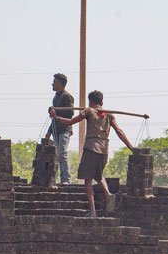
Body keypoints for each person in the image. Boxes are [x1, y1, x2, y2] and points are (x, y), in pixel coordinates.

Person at [52, 90, 135, 218]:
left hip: (91, 149)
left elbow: (70, 122)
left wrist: (56, 117)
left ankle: (93, 212)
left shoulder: (89, 111)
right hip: (104, 151)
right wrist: (132, 148)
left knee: (88, 181)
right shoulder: (109, 115)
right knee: (99, 175)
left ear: (91, 102)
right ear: (102, 102)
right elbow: (119, 131)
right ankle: (108, 194)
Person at [46, 72, 76, 185]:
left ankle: (66, 179)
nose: (52, 84)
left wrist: (56, 111)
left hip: (65, 129)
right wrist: (48, 132)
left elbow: (70, 112)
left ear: (60, 83)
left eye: (54, 82)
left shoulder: (67, 96)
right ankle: (57, 178)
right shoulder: (55, 97)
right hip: (56, 129)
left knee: (62, 153)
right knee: (57, 154)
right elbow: (54, 117)